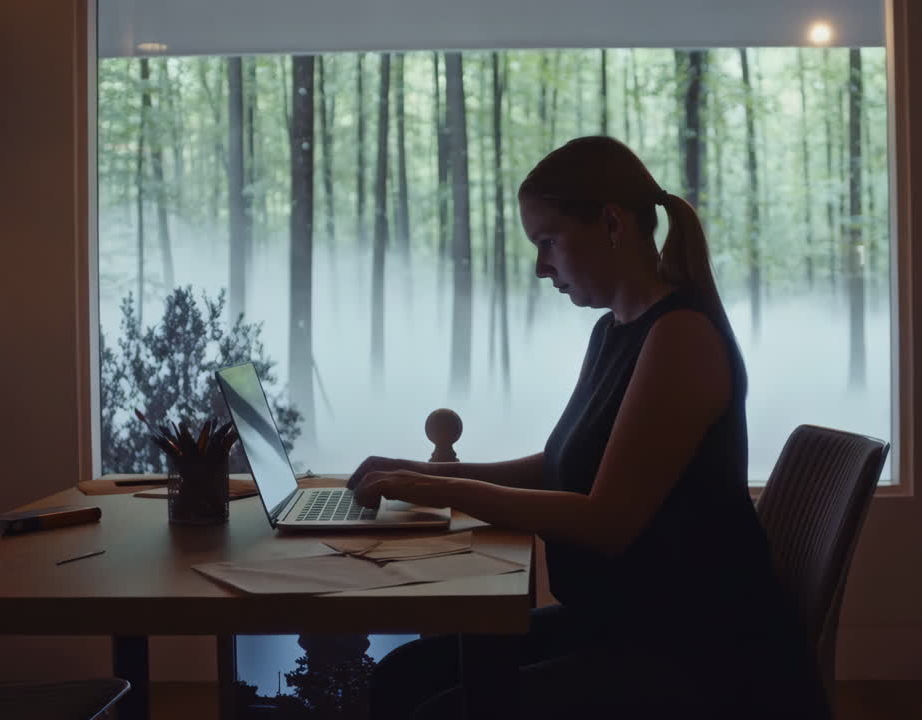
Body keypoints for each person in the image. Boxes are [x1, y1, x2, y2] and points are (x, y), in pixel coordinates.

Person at [347, 136, 830, 719]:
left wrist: (438, 490)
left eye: (548, 242)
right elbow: (560, 467)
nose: (539, 267)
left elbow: (606, 522)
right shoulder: (615, 333)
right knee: (402, 677)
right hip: (622, 626)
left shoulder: (681, 337)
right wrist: (416, 474)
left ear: (611, 223)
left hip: (700, 654)